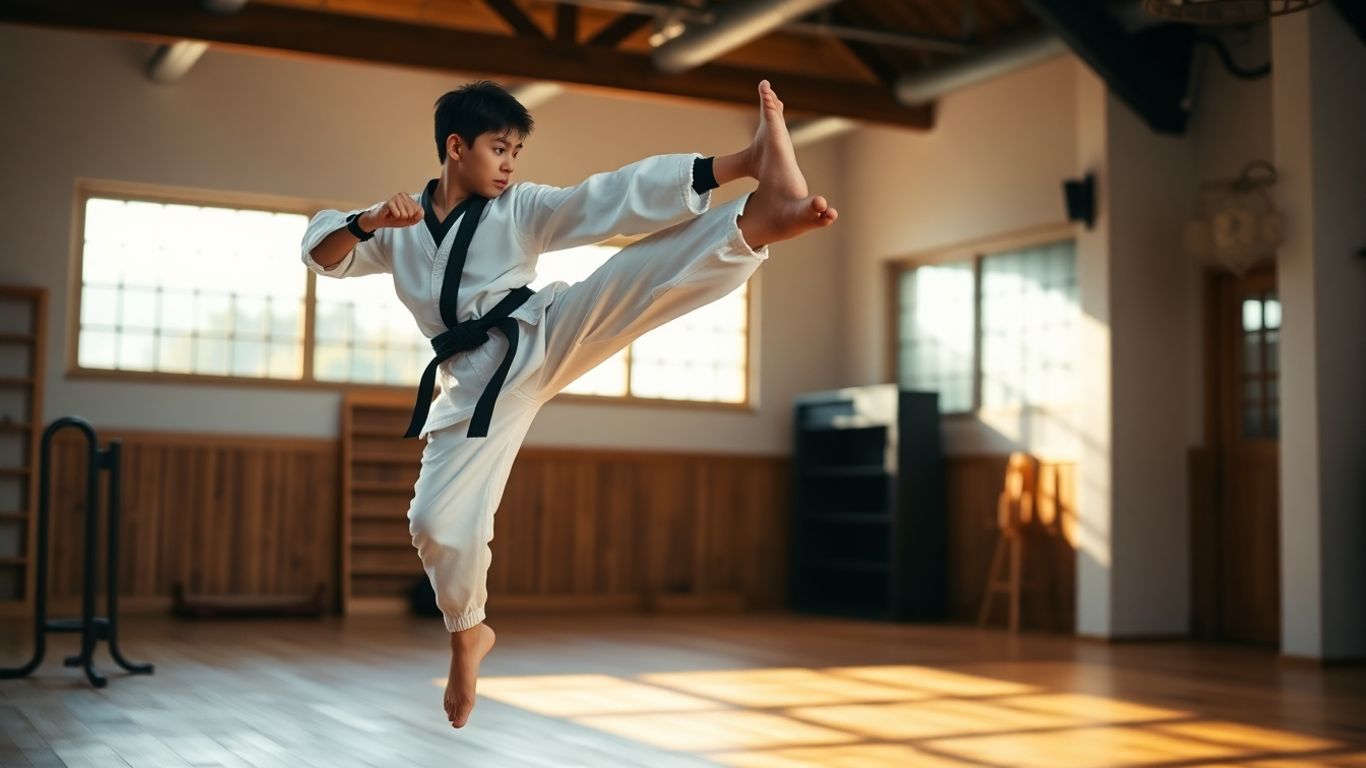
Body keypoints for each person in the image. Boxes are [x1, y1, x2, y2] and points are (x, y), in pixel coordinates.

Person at [301, 78, 836, 729]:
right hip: (471, 386)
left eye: (516, 152)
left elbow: (603, 202)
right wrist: (367, 222)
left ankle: (757, 217)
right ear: (455, 146)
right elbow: (321, 251)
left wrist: (730, 166)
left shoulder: (519, 208)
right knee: (435, 524)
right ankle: (468, 632)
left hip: (540, 332)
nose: (509, 165)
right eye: (499, 149)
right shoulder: (401, 225)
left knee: (635, 285)